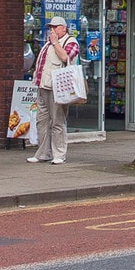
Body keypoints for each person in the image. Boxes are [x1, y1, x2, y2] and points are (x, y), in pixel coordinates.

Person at [29, 15, 80, 165]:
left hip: (58, 89)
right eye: (50, 27)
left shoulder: (71, 42)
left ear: (63, 28)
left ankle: (59, 154)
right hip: (43, 86)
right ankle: (43, 153)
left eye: (55, 27)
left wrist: (56, 43)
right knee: (42, 121)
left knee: (57, 122)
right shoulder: (48, 44)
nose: (52, 30)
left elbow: (65, 57)